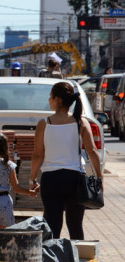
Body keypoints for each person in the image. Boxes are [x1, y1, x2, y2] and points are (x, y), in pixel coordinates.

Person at [30, 82, 103, 240]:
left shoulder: (44, 123)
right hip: (75, 179)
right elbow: (92, 151)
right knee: (75, 225)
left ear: (58, 100)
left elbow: (37, 155)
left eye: (50, 97)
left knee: (52, 225)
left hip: (51, 180)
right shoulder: (81, 122)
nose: (49, 100)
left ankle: (51, 260)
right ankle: (77, 260)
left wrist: (32, 179)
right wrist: (99, 177)